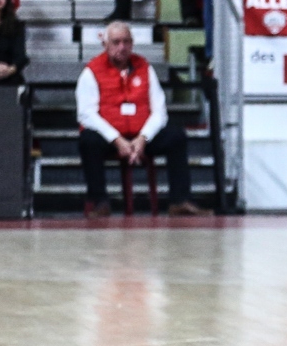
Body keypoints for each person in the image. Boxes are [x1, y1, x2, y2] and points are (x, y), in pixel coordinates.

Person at [75, 20, 204, 217]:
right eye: (116, 42)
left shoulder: (145, 67)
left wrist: (142, 139)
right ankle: (99, 201)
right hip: (110, 137)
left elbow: (159, 111)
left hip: (140, 134)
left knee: (176, 136)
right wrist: (117, 140)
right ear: (105, 45)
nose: (122, 47)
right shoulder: (91, 72)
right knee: (88, 141)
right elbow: (86, 114)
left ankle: (180, 201)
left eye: (126, 42)